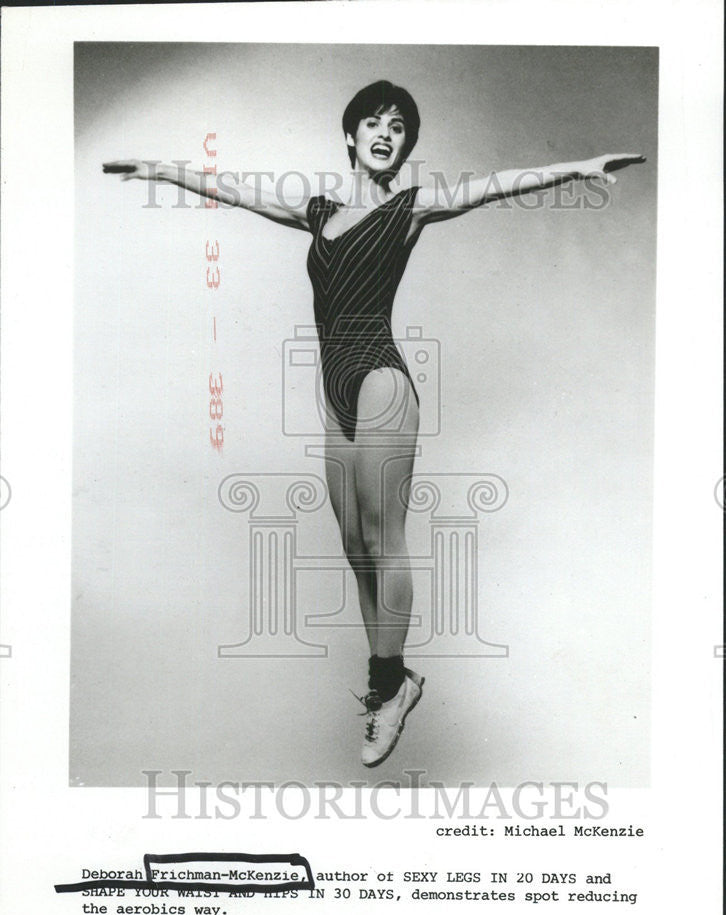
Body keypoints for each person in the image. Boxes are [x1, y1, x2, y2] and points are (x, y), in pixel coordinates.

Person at [103, 79, 644, 768]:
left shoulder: (412, 208)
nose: (387, 132)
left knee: (385, 536)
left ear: (406, 145)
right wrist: (159, 169)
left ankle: (386, 687)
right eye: (374, 122)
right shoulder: (317, 209)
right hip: (334, 387)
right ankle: (398, 678)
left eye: (399, 126)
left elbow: (494, 184)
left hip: (381, 376)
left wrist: (577, 168)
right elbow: (237, 188)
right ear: (352, 136)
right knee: (354, 541)